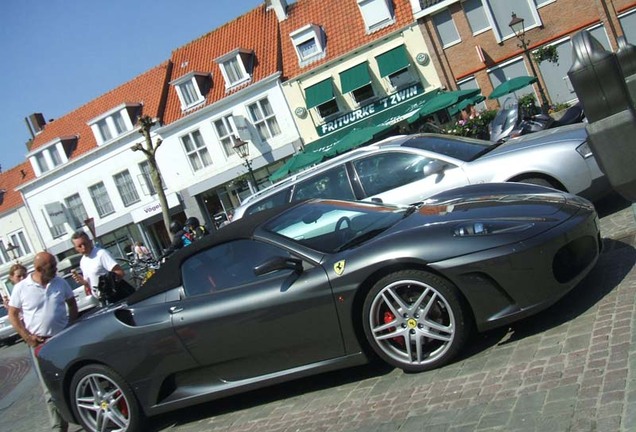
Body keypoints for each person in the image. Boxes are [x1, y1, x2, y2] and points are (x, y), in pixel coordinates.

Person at [8, 251, 78, 432]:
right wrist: (27, 337)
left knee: (74, 378)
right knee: (50, 390)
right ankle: (58, 428)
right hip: (40, 344)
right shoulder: (22, 288)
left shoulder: (60, 282)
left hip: (64, 340)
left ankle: (87, 417)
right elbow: (13, 315)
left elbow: (72, 303)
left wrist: (72, 324)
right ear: (39, 269)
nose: (55, 269)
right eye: (52, 267)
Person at [70, 231, 125, 301]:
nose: (83, 247)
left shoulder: (101, 254)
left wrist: (108, 286)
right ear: (76, 249)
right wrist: (84, 282)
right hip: (101, 299)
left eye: (85, 243)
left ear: (90, 242)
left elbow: (120, 272)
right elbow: (89, 285)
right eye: (79, 246)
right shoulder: (82, 261)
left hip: (115, 296)